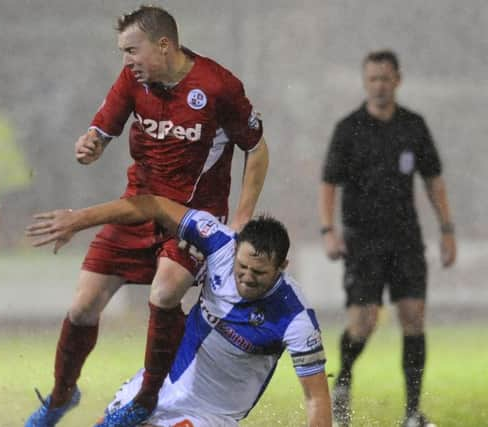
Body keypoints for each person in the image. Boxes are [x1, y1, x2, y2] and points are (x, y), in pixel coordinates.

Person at [24, 5, 268, 427]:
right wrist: (90, 145)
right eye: (122, 52)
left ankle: (147, 400)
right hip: (136, 208)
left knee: (165, 291)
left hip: (192, 218)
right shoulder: (132, 81)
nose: (126, 61)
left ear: (164, 44)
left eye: (131, 50)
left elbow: (257, 148)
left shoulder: (218, 86)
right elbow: (102, 129)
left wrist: (242, 217)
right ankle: (61, 397)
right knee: (82, 307)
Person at [26, 194, 331, 427]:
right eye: (242, 266)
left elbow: (315, 397)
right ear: (236, 248)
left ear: (282, 268)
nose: (247, 277)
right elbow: (154, 205)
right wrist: (79, 219)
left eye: (259, 273)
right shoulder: (220, 243)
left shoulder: (296, 317)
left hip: (207, 415)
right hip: (157, 386)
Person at [318, 50, 456, 427]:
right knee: (364, 322)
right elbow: (329, 182)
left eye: (385, 78)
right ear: (365, 82)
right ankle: (344, 378)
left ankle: (413, 413)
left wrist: (446, 229)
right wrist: (329, 231)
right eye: (372, 79)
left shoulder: (413, 126)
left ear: (398, 79)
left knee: (413, 318)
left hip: (406, 239)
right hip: (362, 242)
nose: (379, 85)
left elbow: (433, 180)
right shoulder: (349, 128)